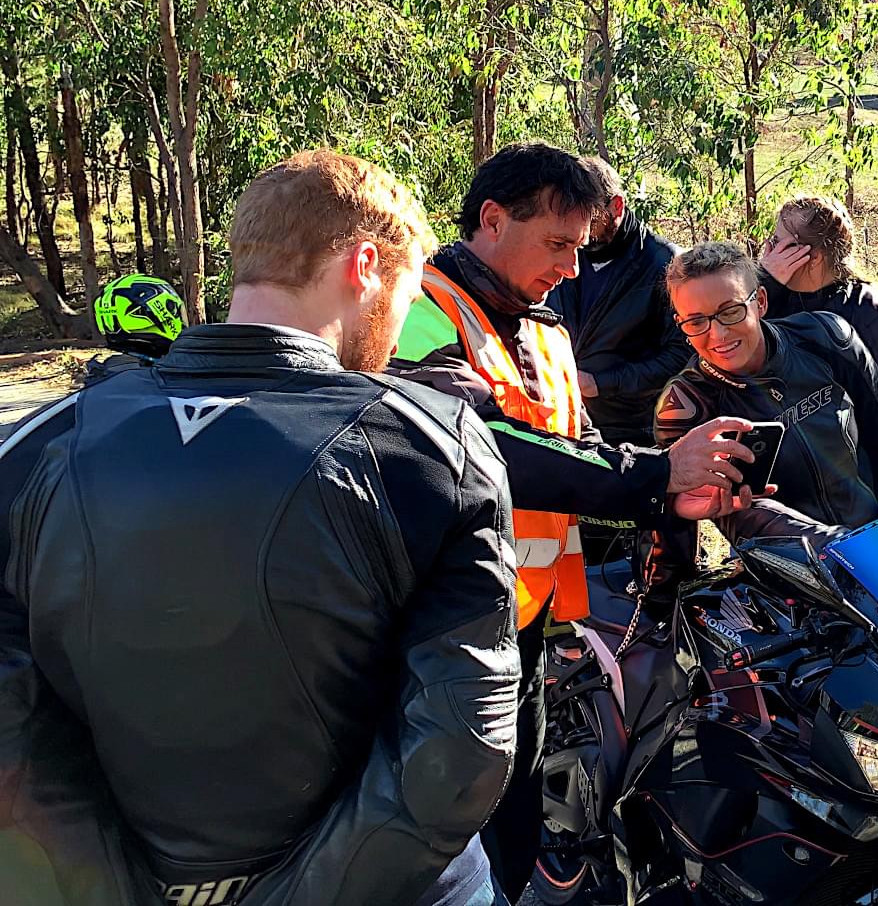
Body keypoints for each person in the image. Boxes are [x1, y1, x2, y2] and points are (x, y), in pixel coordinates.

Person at [1, 150, 519, 906]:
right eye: (406, 297)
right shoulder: (432, 446)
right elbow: (460, 746)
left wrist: (105, 885)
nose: (399, 334)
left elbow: (13, 727)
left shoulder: (38, 443)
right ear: (366, 265)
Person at [388, 141, 761, 900]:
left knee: (513, 817)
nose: (571, 266)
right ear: (492, 220)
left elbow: (580, 457)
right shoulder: (419, 310)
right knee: (441, 836)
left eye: (581, 249)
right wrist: (657, 475)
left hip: (526, 625)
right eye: (557, 243)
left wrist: (670, 499)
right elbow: (484, 448)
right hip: (434, 629)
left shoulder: (549, 330)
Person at [655, 241, 878, 541]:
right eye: (696, 321)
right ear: (680, 323)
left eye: (731, 311)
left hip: (877, 537)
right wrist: (835, 548)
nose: (718, 334)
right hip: (788, 569)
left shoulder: (827, 338)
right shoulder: (685, 405)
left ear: (760, 302)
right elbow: (738, 511)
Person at [759, 195, 878, 442]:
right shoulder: (768, 300)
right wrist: (763, 281)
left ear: (812, 257)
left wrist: (843, 460)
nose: (767, 251)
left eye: (776, 242)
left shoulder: (865, 311)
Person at [548, 158, 690, 446]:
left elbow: (682, 356)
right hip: (562, 422)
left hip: (634, 433)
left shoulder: (666, 264)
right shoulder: (563, 252)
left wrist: (600, 383)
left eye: (590, 218)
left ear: (617, 206)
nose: (581, 230)